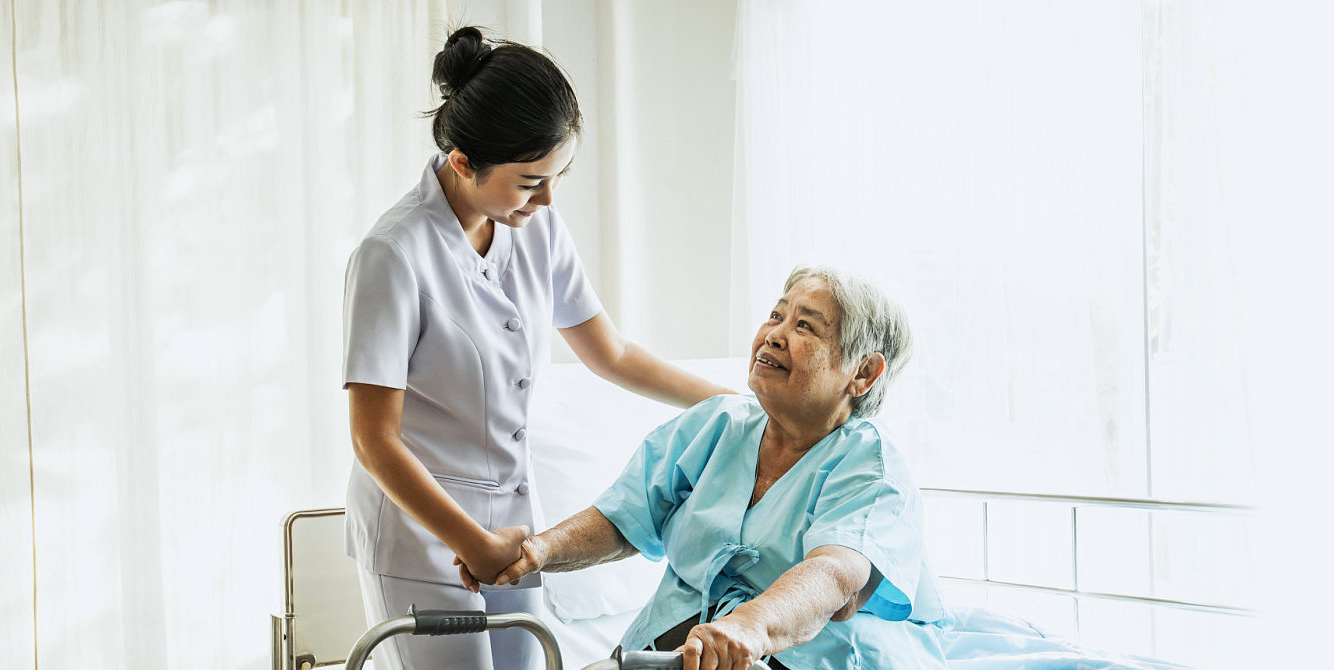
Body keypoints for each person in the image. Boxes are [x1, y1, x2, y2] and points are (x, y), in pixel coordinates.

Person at [341, 26, 736, 669]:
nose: (549, 199)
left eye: (557, 175)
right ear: (464, 162)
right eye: (531, 181)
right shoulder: (393, 256)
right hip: (420, 531)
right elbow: (374, 440)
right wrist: (473, 542)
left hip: (513, 525)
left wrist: (742, 403)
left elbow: (610, 353)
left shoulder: (534, 223)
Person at [472, 266, 949, 670]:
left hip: (803, 656)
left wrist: (751, 626)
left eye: (806, 327)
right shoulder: (717, 424)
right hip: (669, 646)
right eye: (776, 315)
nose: (775, 335)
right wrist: (536, 551)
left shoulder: (870, 464)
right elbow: (624, 517)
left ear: (862, 373)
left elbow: (835, 576)